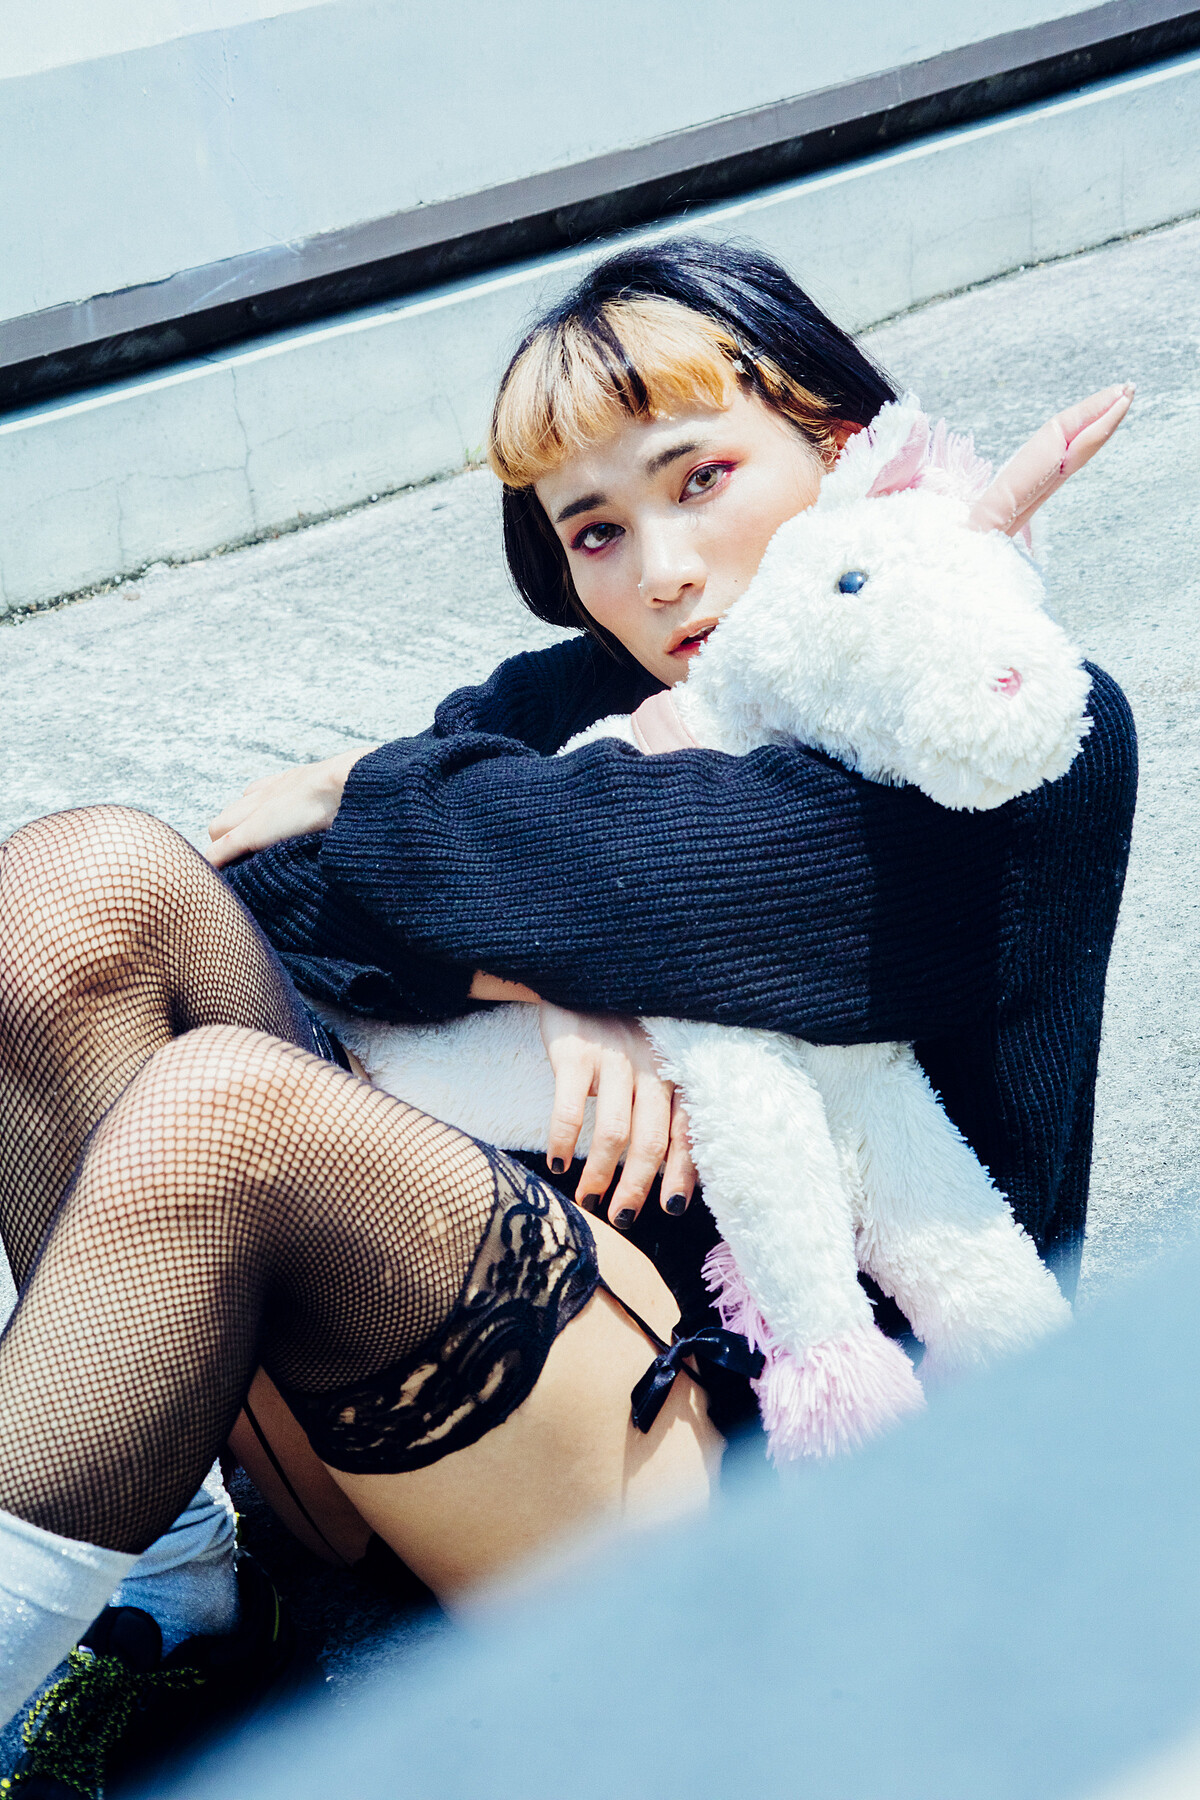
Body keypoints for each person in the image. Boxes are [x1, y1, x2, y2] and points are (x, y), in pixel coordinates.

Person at [0, 239, 1136, 1792]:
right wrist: (549, 981)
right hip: (465, 1416)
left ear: (842, 442)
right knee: (76, 893)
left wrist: (387, 800)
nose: (658, 571)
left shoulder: (1009, 730)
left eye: (700, 478)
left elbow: (647, 881)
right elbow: (275, 893)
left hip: (783, 1490)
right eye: (594, 529)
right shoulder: (574, 698)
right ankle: (174, 1595)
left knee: (223, 1112)